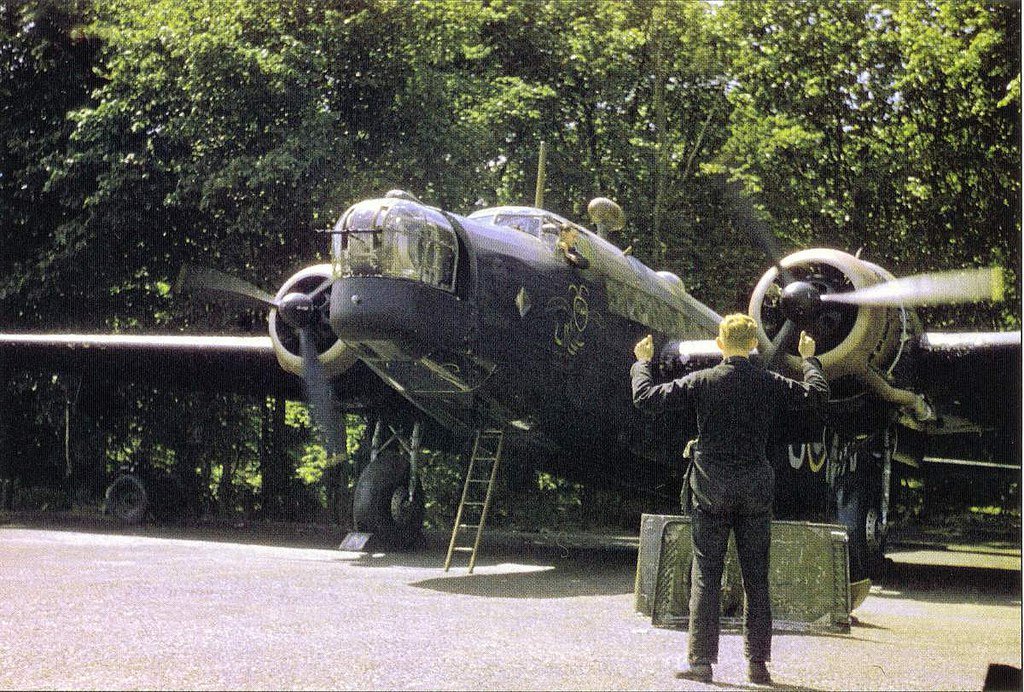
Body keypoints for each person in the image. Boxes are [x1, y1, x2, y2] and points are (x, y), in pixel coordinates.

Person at [631, 313, 829, 685]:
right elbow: (816, 396)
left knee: (706, 573)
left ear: (720, 345)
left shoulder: (704, 380)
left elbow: (646, 398)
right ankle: (757, 665)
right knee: (757, 579)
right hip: (755, 489)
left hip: (710, 489)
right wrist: (809, 360)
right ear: (754, 346)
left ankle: (701, 663)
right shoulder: (769, 382)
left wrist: (642, 363)